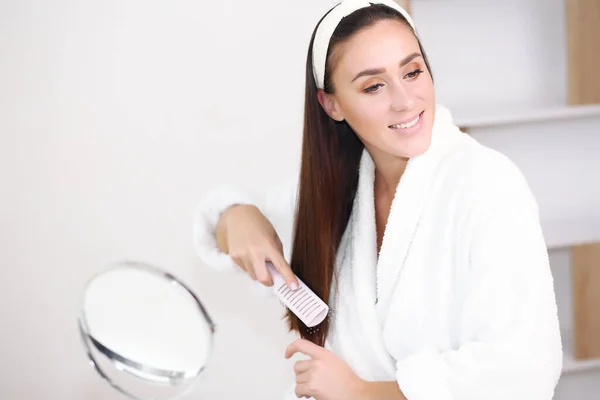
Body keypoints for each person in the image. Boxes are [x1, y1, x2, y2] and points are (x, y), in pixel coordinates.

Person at [192, 1, 563, 399]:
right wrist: (238, 217)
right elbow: (220, 222)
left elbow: (523, 369)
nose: (405, 100)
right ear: (331, 104)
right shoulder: (337, 188)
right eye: (374, 85)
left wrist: (361, 392)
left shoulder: (487, 185)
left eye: (412, 71)